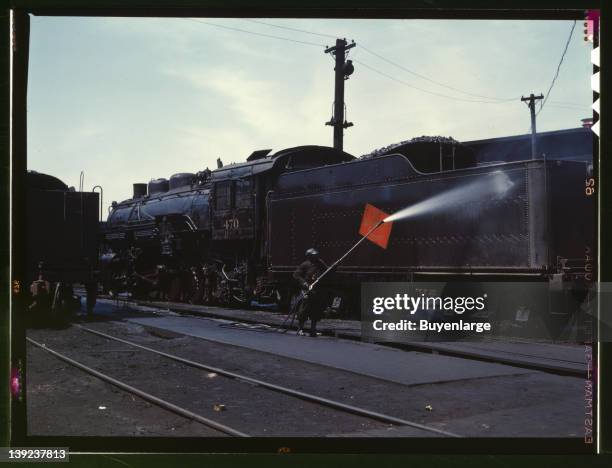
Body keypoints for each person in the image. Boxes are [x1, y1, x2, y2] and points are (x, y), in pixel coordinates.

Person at [293, 248, 327, 337]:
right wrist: (304, 283)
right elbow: (296, 275)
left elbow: (327, 271)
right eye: (314, 255)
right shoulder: (305, 264)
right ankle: (300, 329)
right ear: (309, 256)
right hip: (307, 290)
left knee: (316, 310)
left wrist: (333, 267)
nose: (316, 257)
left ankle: (313, 329)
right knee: (304, 310)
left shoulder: (320, 263)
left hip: (317, 290)